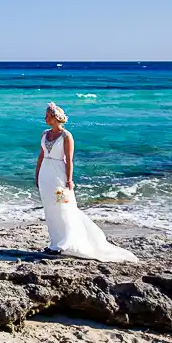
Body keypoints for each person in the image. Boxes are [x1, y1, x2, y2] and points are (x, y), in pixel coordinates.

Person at [34, 102, 138, 262]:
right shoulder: (44, 134)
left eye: (47, 116)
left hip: (59, 177)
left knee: (63, 207)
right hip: (45, 176)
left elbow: (69, 160)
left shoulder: (66, 136)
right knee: (50, 209)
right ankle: (54, 243)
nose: (45, 118)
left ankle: (66, 242)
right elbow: (41, 155)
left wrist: (69, 180)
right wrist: (36, 174)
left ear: (55, 118)